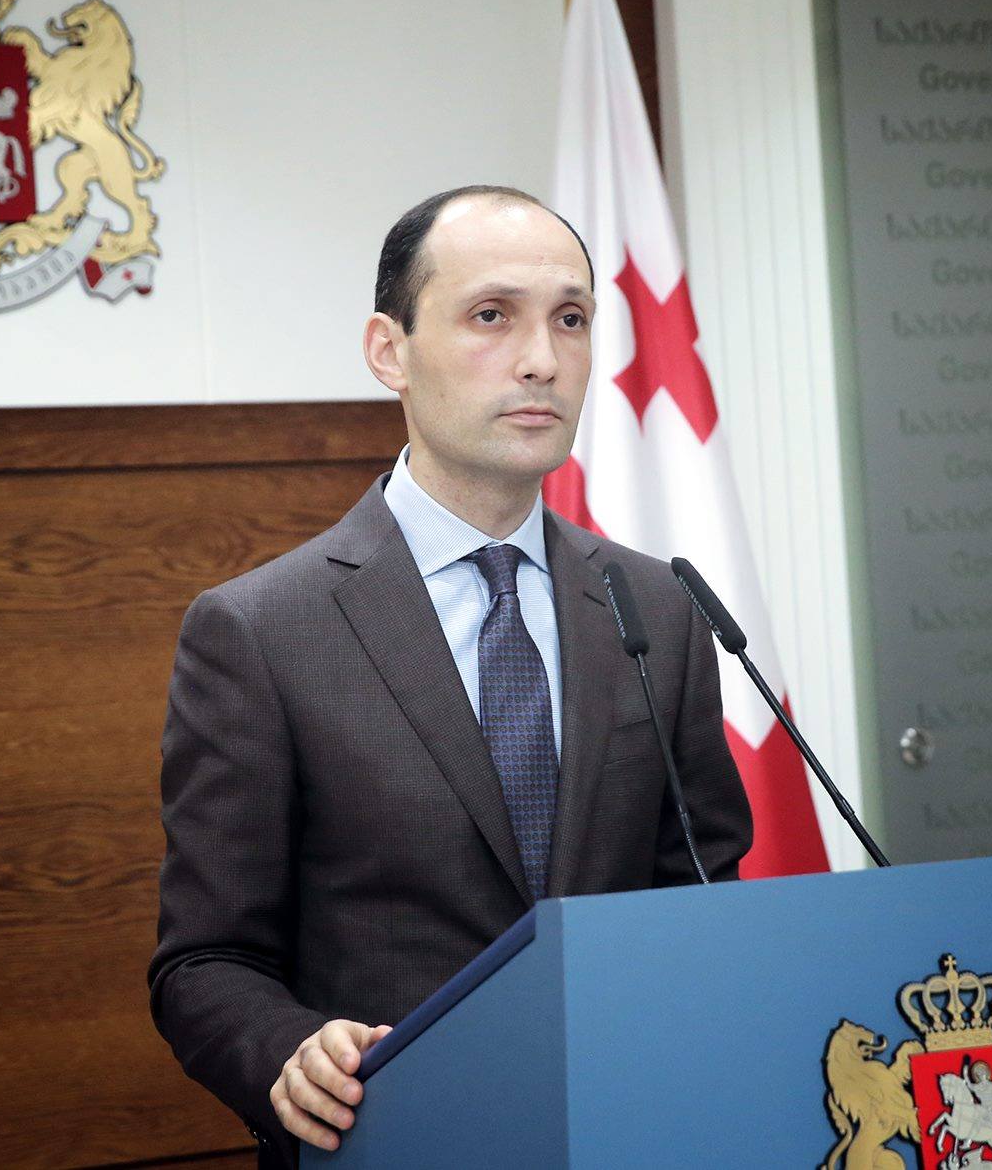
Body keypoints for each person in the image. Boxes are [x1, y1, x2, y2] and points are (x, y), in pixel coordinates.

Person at [146, 185, 754, 1166]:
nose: (541, 359)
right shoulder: (258, 631)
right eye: (491, 315)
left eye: (570, 319)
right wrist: (289, 1052)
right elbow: (206, 961)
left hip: (629, 1126)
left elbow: (701, 898)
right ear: (388, 350)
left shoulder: (656, 606)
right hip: (395, 1138)